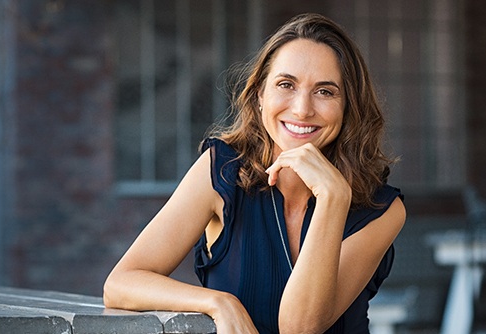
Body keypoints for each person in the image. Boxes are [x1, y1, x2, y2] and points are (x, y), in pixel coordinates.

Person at [104, 13, 406, 334]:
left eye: (325, 91)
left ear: (348, 107)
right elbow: (121, 284)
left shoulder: (382, 210)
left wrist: (333, 198)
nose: (302, 109)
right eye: (286, 85)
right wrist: (219, 302)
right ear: (260, 95)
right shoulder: (220, 169)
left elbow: (299, 328)